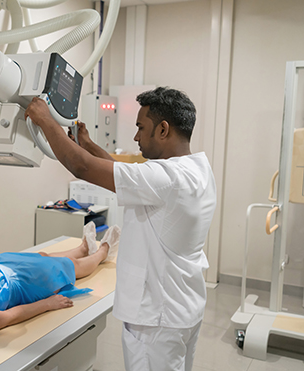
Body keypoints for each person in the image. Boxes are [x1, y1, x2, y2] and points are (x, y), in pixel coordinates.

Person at [24, 87, 216, 371]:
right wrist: (88, 144)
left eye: (141, 128)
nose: (136, 136)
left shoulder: (167, 178)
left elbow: (80, 167)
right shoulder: (196, 169)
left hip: (156, 320)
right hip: (183, 309)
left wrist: (44, 119)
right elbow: (129, 177)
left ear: (163, 130)